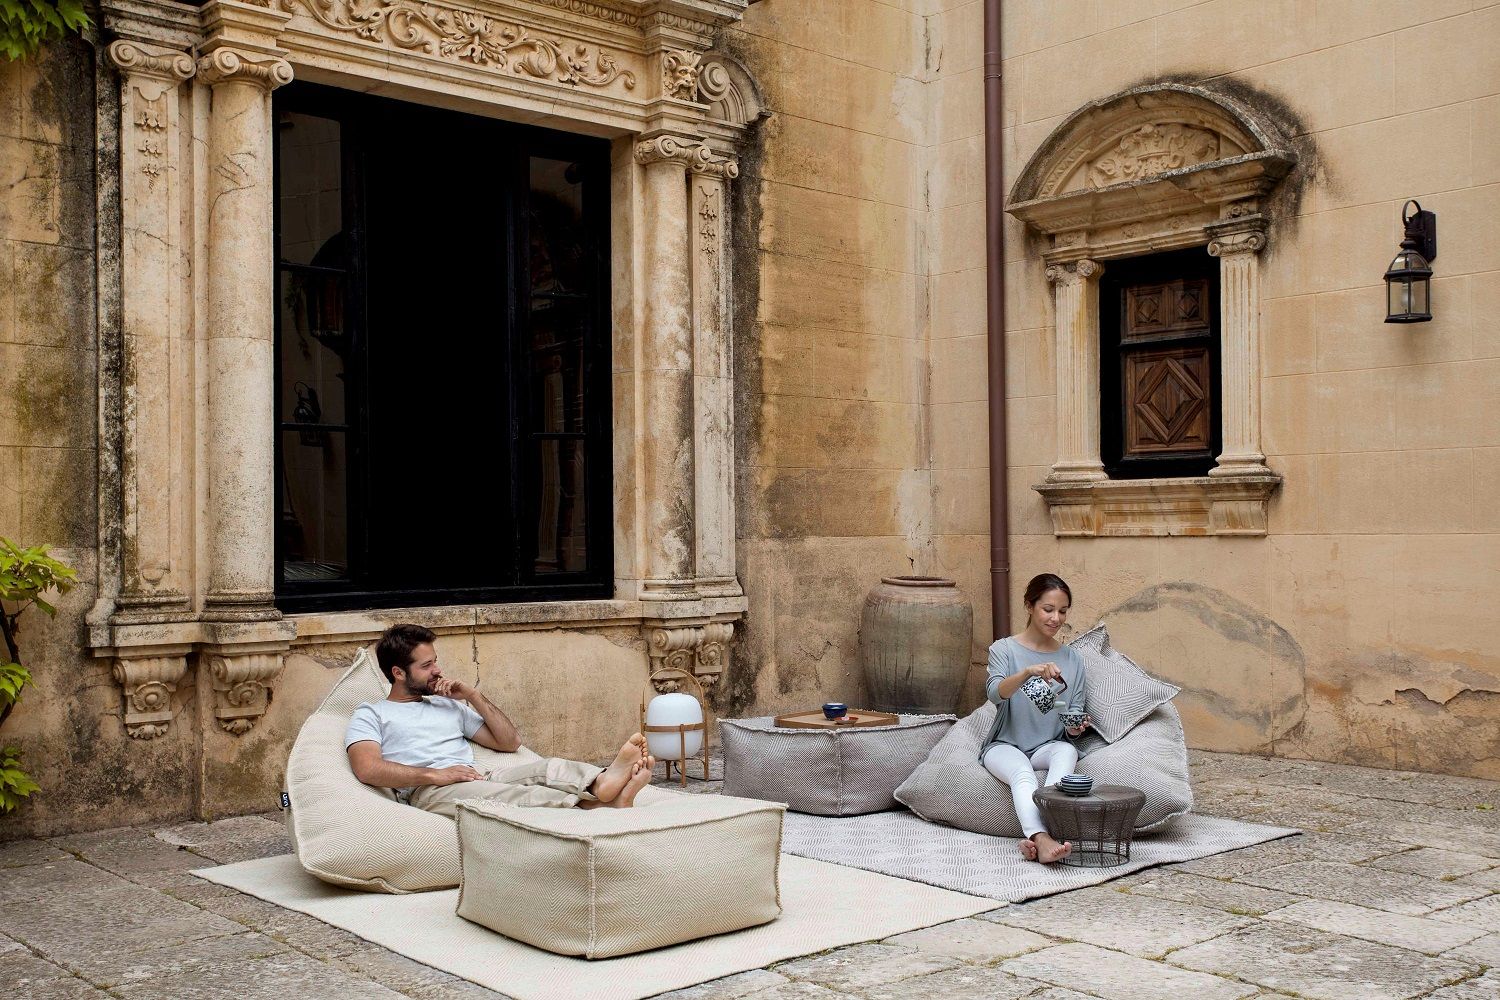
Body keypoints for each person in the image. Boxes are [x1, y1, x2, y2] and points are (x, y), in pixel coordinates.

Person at [345, 624, 655, 817]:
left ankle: (600, 784)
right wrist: (436, 775)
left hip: (477, 776)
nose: (437, 670)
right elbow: (367, 768)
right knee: (515, 797)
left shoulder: (447, 705)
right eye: (427, 665)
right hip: (429, 792)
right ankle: (599, 807)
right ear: (398, 673)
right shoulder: (372, 713)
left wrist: (472, 696)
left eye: (435, 661)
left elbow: (509, 742)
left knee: (548, 767)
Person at [979, 573, 1091, 864]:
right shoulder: (1004, 649)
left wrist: (1076, 727)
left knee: (1067, 750)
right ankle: (1042, 839)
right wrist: (1028, 672)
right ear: (1029, 606)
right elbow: (996, 693)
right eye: (1048, 609)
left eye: (1063, 611)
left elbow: (1072, 712)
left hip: (1046, 745)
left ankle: (1039, 838)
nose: (1056, 618)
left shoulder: (1072, 659)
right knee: (1022, 774)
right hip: (1005, 745)